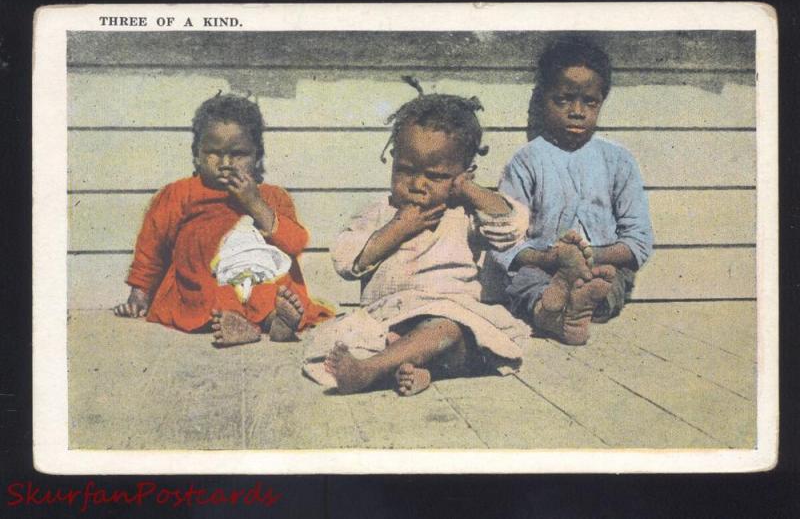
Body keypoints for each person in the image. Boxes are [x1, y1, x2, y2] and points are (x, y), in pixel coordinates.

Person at [303, 85, 530, 396]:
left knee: (445, 329)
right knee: (357, 339)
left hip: (449, 322)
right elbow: (345, 260)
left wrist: (471, 192)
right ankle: (411, 367)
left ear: (462, 175)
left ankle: (371, 371)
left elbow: (511, 227)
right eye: (406, 171)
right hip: (388, 319)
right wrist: (397, 229)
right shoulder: (381, 214)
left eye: (435, 176)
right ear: (393, 159)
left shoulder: (463, 214)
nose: (418, 184)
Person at [113, 94, 332, 346]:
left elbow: (294, 243)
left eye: (238, 154)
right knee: (218, 293)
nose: (226, 163)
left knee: (270, 291)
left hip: (259, 280)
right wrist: (139, 295)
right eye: (214, 153)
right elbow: (151, 248)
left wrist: (254, 203)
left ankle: (278, 322)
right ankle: (239, 324)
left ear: (257, 156)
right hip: (202, 285)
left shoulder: (272, 196)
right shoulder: (179, 194)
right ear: (196, 155)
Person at [492, 36, 654, 345]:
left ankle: (577, 303)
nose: (577, 111)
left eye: (589, 102)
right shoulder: (527, 161)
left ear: (601, 101)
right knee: (525, 281)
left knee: (608, 278)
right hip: (544, 268)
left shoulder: (618, 161)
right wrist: (555, 259)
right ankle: (554, 308)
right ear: (544, 99)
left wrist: (587, 257)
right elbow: (506, 242)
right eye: (564, 99)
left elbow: (639, 240)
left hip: (601, 264)